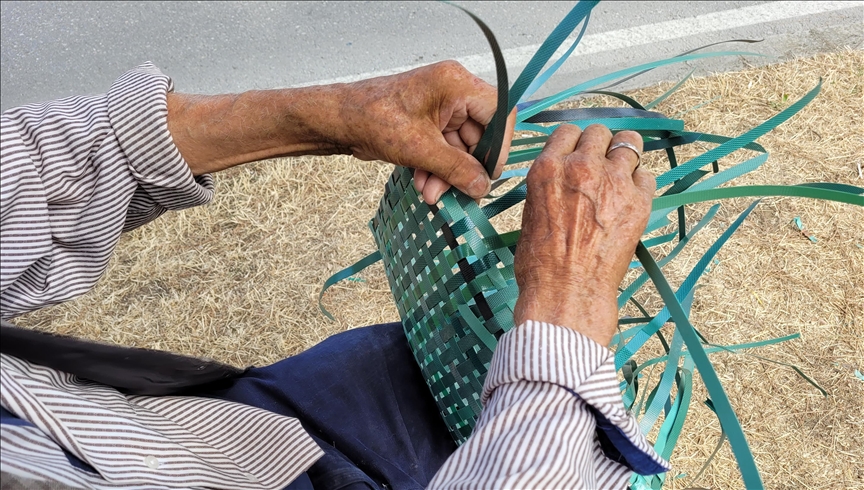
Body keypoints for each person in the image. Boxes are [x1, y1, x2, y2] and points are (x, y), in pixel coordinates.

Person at [0, 60, 668, 489]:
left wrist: (330, 116)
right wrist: (568, 303)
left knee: (404, 364)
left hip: (216, 430)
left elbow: (21, 178)